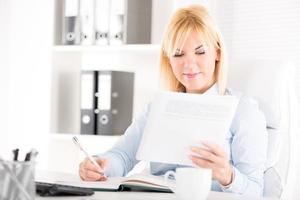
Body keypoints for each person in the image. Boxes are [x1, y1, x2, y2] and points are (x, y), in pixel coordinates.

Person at [79, 4, 268, 196]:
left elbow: (256, 191)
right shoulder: (158, 109)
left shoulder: (244, 112)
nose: (189, 64)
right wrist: (101, 165)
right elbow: (123, 155)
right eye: (178, 54)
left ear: (217, 52)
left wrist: (227, 175)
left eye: (200, 51)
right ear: (169, 58)